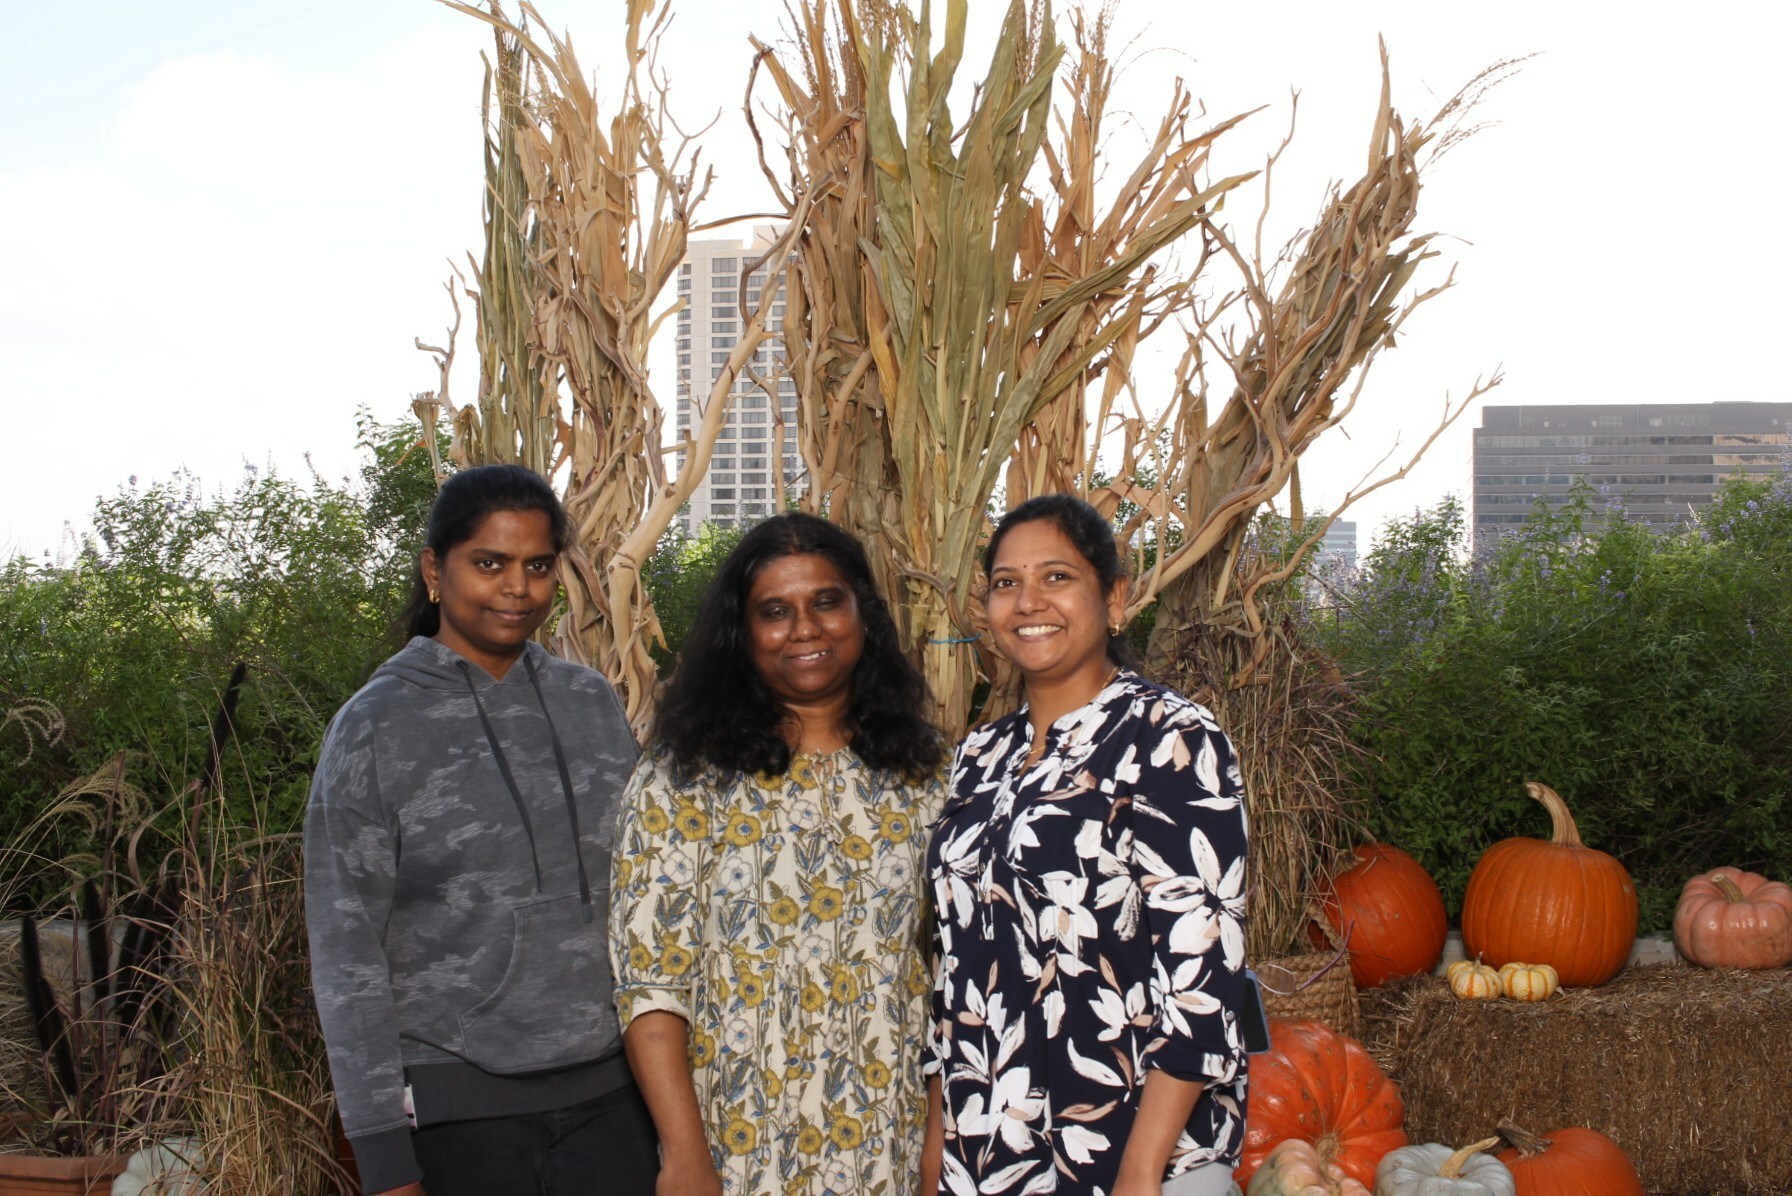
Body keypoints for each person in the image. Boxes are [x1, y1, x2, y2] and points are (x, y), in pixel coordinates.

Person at [304, 465, 657, 1196]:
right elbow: (345, 954)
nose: (517, 588)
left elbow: (647, 896)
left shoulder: (590, 702)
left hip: (616, 1101)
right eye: (489, 564)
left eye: (538, 566)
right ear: (436, 571)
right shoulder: (374, 727)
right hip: (458, 1112)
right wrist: (383, 1160)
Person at [610, 512, 946, 1196]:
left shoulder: (929, 775)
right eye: (775, 612)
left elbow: (955, 979)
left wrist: (938, 1144)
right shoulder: (684, 778)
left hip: (893, 1140)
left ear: (862, 613)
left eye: (826, 602)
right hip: (739, 1144)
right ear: (741, 632)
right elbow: (650, 985)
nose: (805, 629)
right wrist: (684, 1156)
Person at [923, 494, 1250, 1196]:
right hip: (989, 1153)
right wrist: (936, 1157)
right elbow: (954, 976)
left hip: (1130, 1153)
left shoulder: (1169, 738)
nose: (1028, 601)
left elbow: (1202, 980)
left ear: (1116, 598)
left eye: (1057, 577)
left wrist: (1140, 1173)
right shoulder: (979, 756)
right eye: (1006, 583)